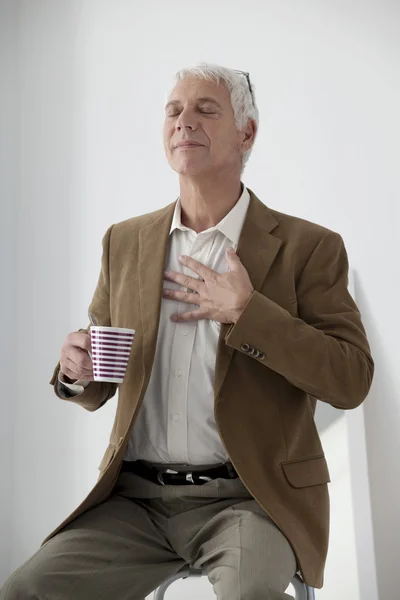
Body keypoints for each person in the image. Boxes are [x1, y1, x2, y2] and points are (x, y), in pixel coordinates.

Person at [0, 63, 374, 600]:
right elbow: (102, 380)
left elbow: (351, 380)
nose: (183, 121)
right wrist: (74, 372)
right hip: (134, 503)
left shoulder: (308, 247)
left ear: (247, 133)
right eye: (174, 110)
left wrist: (248, 312)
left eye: (205, 109)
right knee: (25, 590)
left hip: (249, 500)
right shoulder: (124, 242)